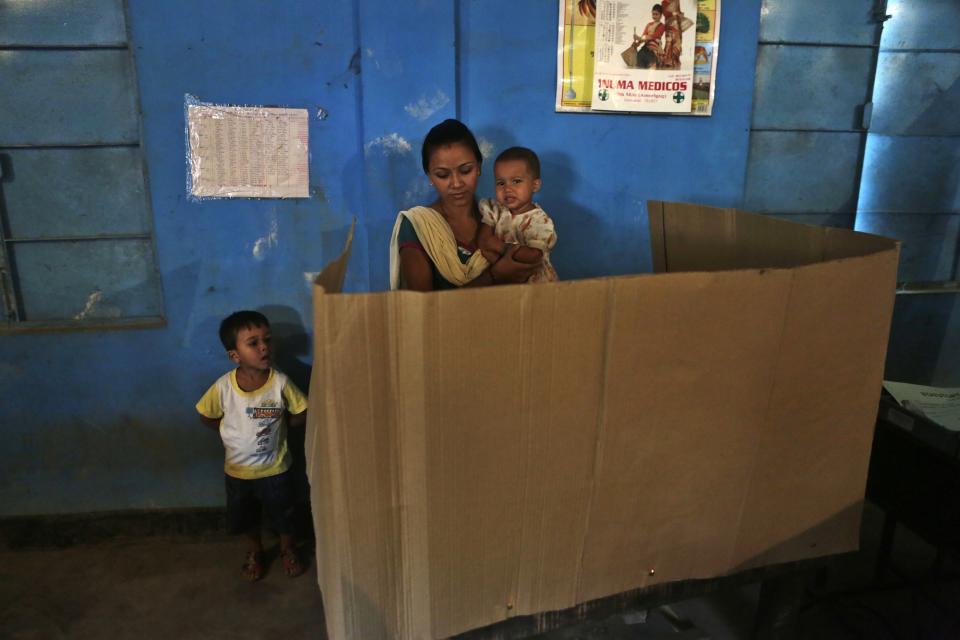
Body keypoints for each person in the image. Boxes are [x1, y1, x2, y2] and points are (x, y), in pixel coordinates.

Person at [196, 310, 308, 582]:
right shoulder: (224, 387)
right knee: (246, 517)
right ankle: (255, 551)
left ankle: (287, 549)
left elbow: (302, 410)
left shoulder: (279, 383)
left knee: (285, 514)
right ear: (235, 355)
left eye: (267, 340)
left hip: (276, 468)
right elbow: (206, 415)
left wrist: (284, 425)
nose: (264, 347)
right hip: (238, 472)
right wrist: (230, 435)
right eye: (253, 343)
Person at [389, 119, 541, 291]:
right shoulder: (418, 225)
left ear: (479, 167)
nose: (456, 183)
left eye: (465, 170)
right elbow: (422, 308)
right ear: (430, 177)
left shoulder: (503, 217)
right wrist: (494, 276)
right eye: (442, 175)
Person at [476, 147, 558, 283]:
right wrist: (500, 266)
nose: (507, 189)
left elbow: (534, 257)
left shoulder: (539, 221)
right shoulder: (495, 210)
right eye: (501, 183)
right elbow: (483, 241)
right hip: (505, 281)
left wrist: (501, 247)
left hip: (537, 285)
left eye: (516, 181)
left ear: (535, 185)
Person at [660, 0, 694, 70]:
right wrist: (673, 13)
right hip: (669, 25)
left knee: (677, 43)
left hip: (677, 25)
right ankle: (667, 62)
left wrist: (680, 14)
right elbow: (665, 13)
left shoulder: (676, 1)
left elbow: (679, 11)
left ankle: (675, 61)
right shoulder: (664, 2)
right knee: (669, 42)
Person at [629, 4, 665, 70]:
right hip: (644, 49)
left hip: (654, 51)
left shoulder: (662, 26)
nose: (654, 16)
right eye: (653, 14)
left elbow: (652, 37)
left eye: (656, 14)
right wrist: (637, 43)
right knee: (638, 67)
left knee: (651, 71)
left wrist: (639, 38)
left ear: (661, 15)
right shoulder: (649, 25)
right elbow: (644, 36)